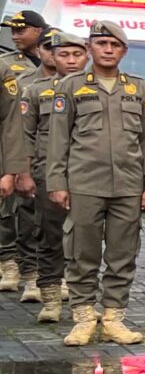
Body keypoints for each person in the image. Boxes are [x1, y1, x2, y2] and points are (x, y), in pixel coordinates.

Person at [47, 21, 145, 347]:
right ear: (89, 48)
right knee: (81, 253)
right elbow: (58, 140)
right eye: (101, 44)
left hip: (128, 185)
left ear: (124, 51)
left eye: (115, 45)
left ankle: (113, 318)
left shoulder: (138, 88)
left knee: (122, 254)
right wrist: (57, 182)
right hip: (84, 183)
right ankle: (83, 318)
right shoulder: (70, 87)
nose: (108, 50)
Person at [8, 29, 88, 321]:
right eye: (63, 54)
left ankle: (82, 299)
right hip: (47, 173)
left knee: (85, 238)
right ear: (52, 57)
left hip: (87, 174)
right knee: (48, 234)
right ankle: (50, 296)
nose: (71, 60)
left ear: (87, 56)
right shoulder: (35, 90)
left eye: (77, 54)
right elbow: (24, 135)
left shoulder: (98, 90)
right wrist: (23, 172)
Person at [0, 7, 48, 294]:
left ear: (38, 32)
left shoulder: (58, 61)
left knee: (36, 213)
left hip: (44, 149)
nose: (15, 36)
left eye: (21, 30)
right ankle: (9, 261)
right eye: (13, 31)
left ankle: (37, 266)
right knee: (9, 210)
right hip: (15, 143)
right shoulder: (6, 64)